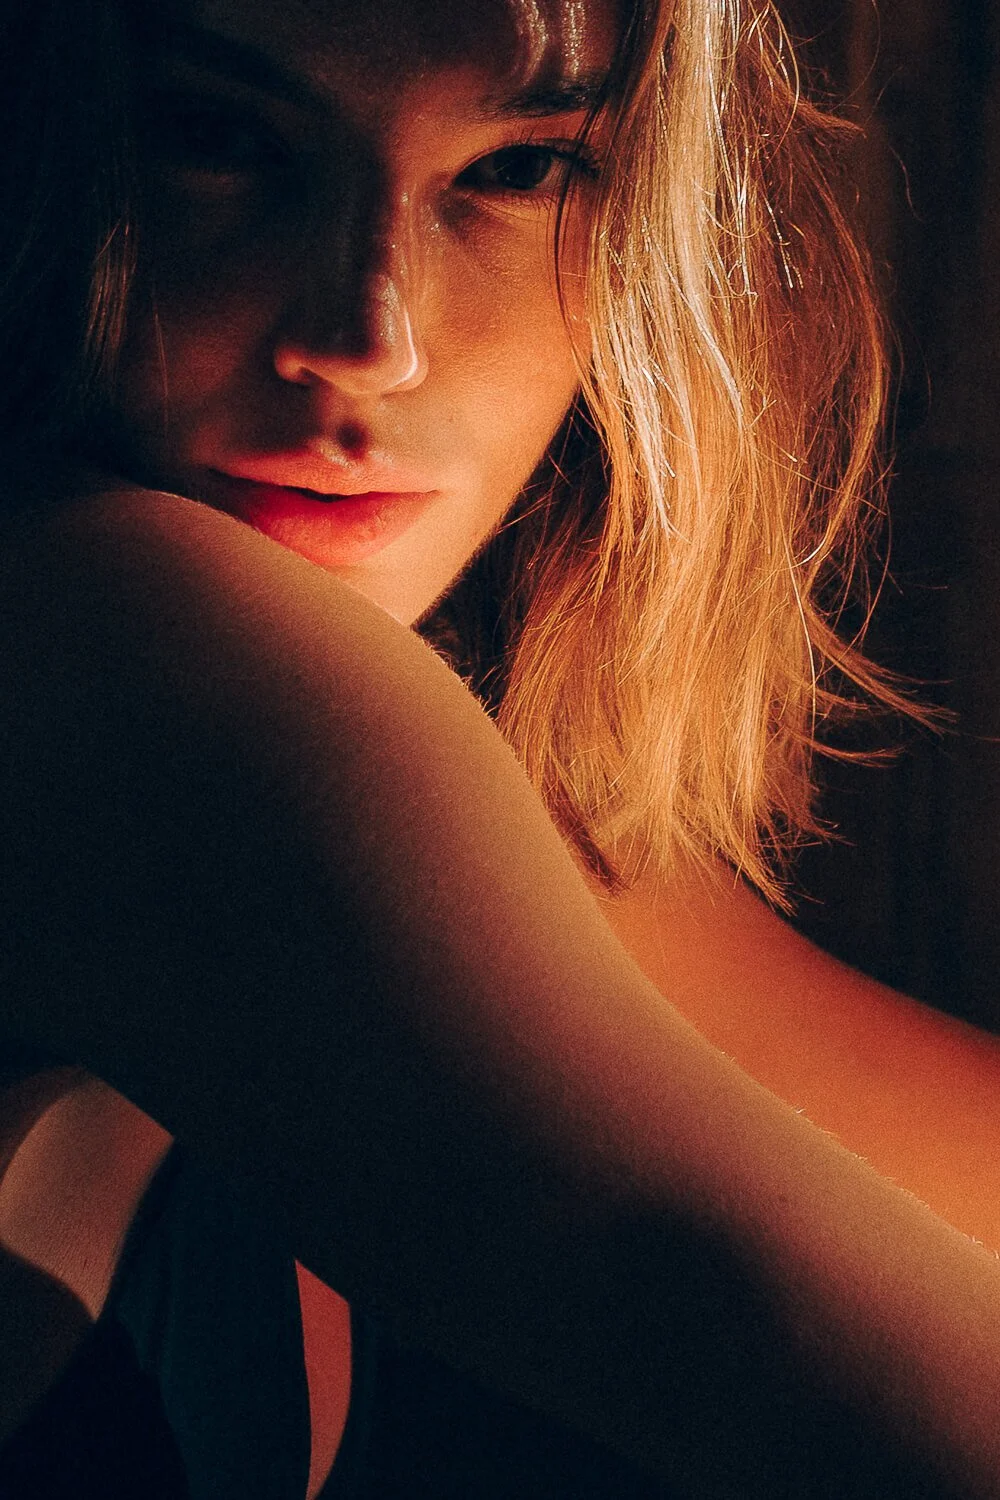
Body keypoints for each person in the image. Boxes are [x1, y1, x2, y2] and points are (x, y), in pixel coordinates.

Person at [3, 0, 1000, 1496]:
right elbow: (725, 1288)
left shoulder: (428, 762)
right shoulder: (97, 635)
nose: (369, 337)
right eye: (219, 139)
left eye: (524, 170)